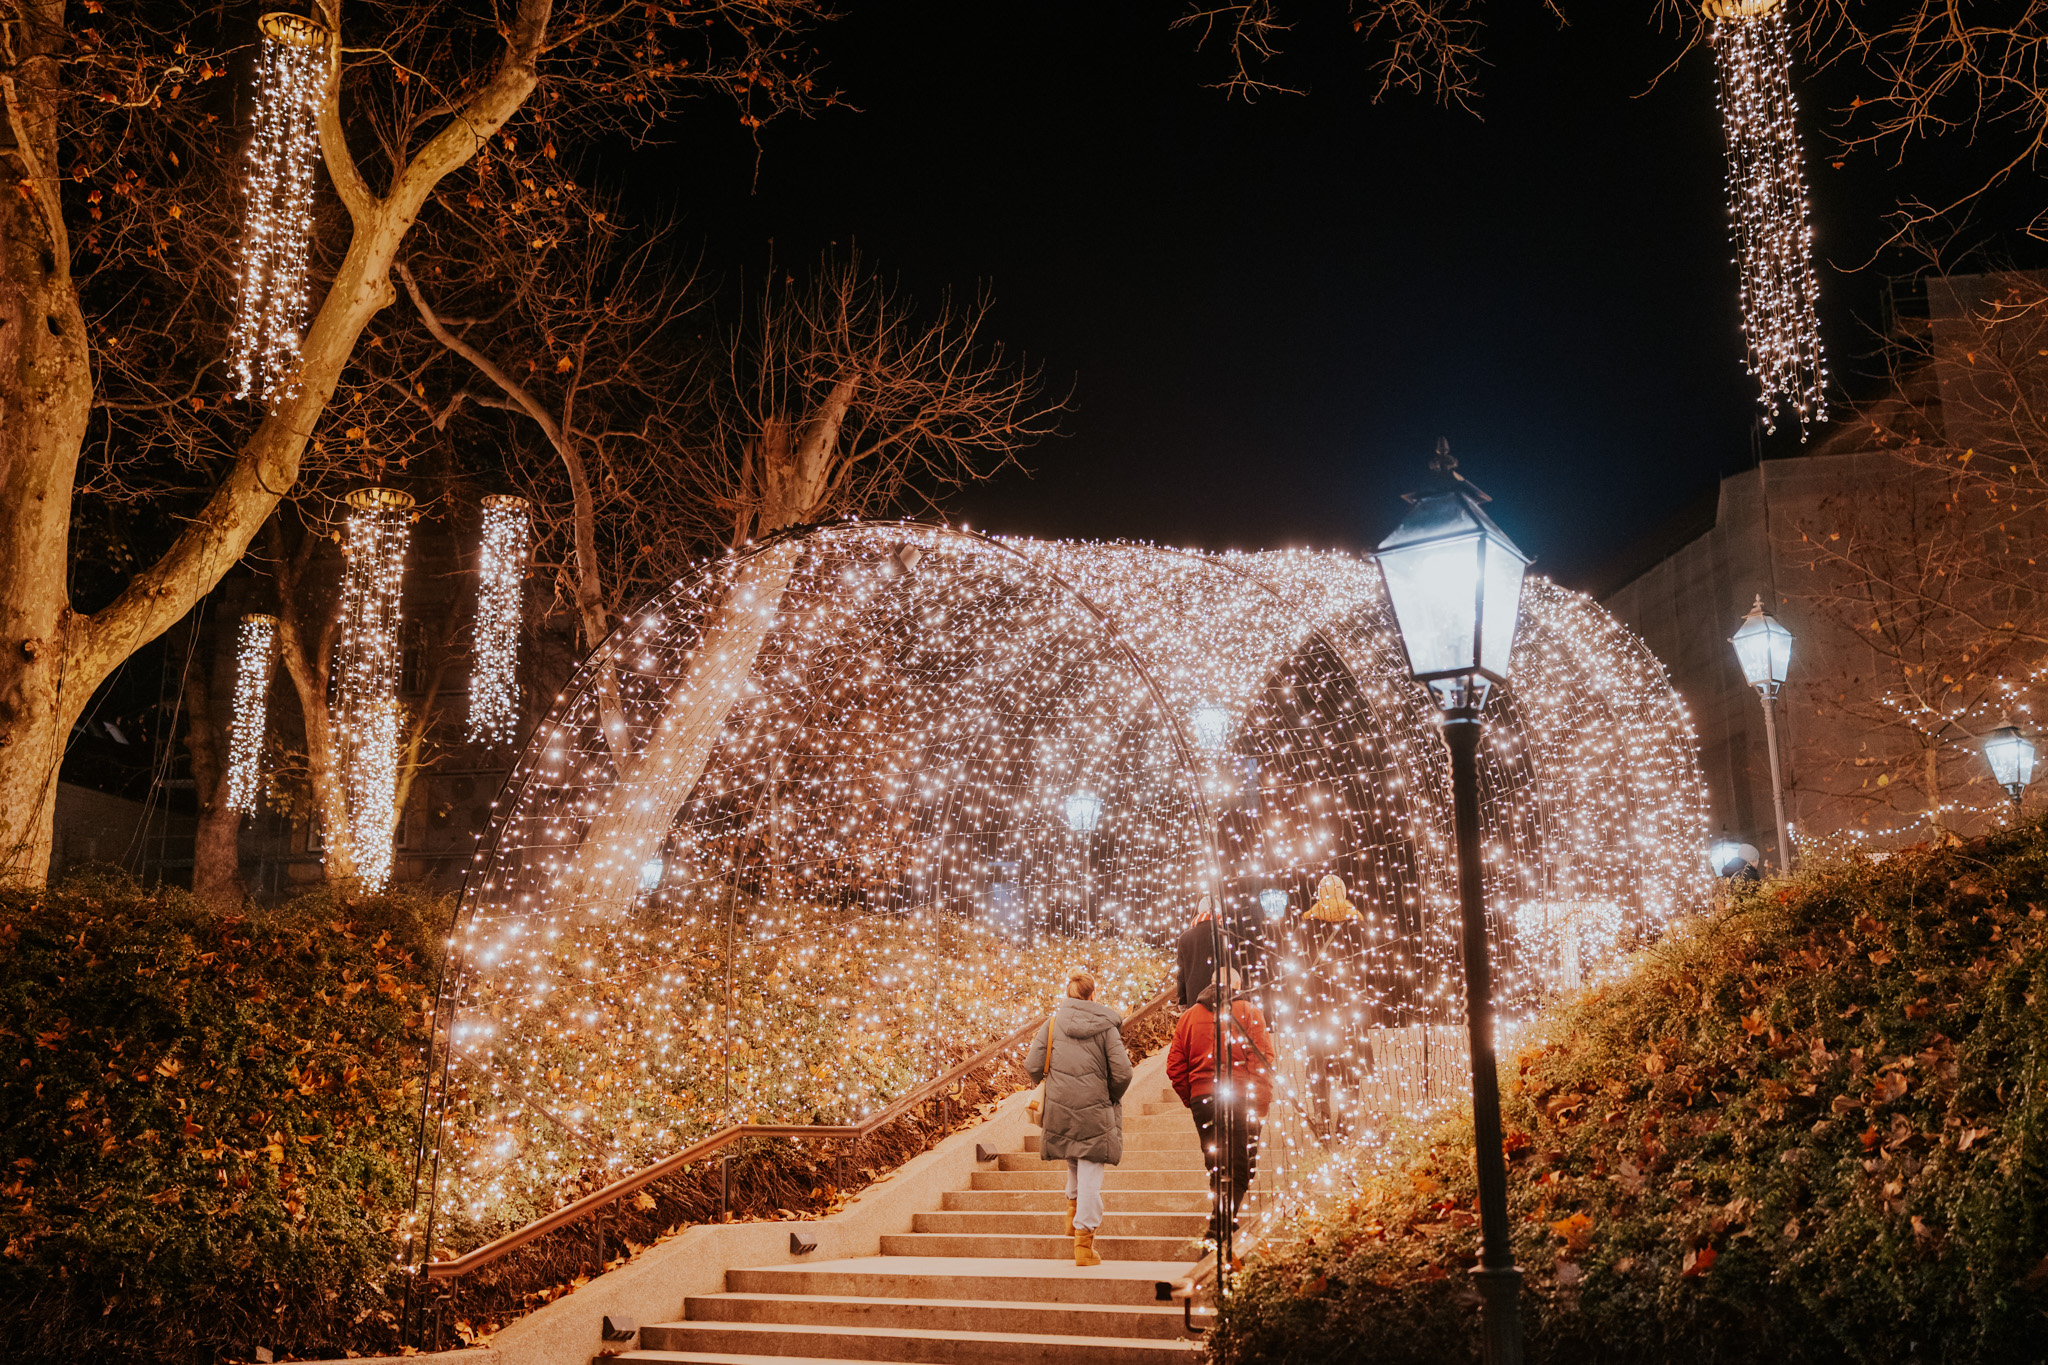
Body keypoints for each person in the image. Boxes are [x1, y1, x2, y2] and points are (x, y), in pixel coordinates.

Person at [1025, 968, 1132, 1267]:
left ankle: (1072, 1217)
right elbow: (1123, 1073)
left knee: (1074, 1158)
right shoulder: (1106, 1027)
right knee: (1090, 1171)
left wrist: (1057, 1086)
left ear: (1069, 993)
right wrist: (1109, 1096)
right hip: (1095, 1108)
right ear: (1093, 994)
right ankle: (1083, 1242)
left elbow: (1033, 1065)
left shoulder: (1052, 1023)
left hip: (1060, 1107)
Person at [1167, 968, 1274, 1242]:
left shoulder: (1189, 1016)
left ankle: (1225, 1227)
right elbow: (1261, 1062)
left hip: (1204, 1100)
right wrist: (1260, 1106)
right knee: (1241, 1167)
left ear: (1212, 983)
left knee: (1218, 1166)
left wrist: (1193, 1097)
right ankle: (1218, 1231)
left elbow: (1175, 1065)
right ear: (1238, 986)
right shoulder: (1249, 1012)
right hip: (1240, 1098)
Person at [1176, 896, 1220, 1008]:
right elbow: (1235, 966)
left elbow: (1181, 973)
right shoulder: (1225, 934)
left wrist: (1182, 999)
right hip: (1222, 998)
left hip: (1195, 1000)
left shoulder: (1185, 937)